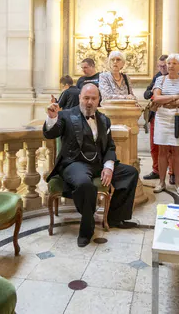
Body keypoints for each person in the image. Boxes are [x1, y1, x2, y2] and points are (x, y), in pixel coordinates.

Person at [43, 83, 139, 247]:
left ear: (98, 100)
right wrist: (52, 118)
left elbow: (109, 147)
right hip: (75, 163)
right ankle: (86, 230)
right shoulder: (65, 115)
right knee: (84, 184)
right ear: (80, 98)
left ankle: (114, 218)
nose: (89, 102)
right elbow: (51, 133)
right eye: (86, 98)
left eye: (93, 98)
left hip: (98, 164)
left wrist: (108, 167)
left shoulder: (104, 119)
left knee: (130, 173)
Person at [151, 53, 179, 196]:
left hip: (177, 116)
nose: (170, 66)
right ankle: (161, 182)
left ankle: (178, 183)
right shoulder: (160, 80)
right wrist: (175, 97)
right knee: (162, 150)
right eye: (169, 63)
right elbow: (156, 98)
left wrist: (165, 100)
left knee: (177, 151)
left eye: (174, 63)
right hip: (162, 116)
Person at [143, 55, 169, 180]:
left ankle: (172, 173)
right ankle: (156, 170)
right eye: (160, 66)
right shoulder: (157, 76)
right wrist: (154, 92)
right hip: (155, 115)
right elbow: (146, 94)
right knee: (154, 145)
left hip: (169, 116)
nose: (162, 68)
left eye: (164, 66)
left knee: (170, 146)